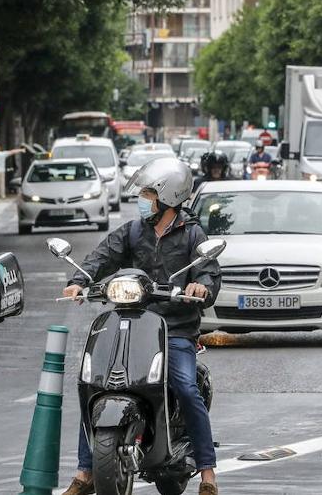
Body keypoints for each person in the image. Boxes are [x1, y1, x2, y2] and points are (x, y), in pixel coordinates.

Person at [60, 157, 221, 495]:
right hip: (131, 321)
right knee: (96, 383)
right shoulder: (135, 231)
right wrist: (79, 280)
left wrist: (201, 286)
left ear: (168, 197)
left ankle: (207, 474)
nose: (143, 199)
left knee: (186, 387)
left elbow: (207, 271)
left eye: (148, 193)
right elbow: (102, 256)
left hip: (174, 328)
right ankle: (86, 470)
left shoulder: (192, 234)